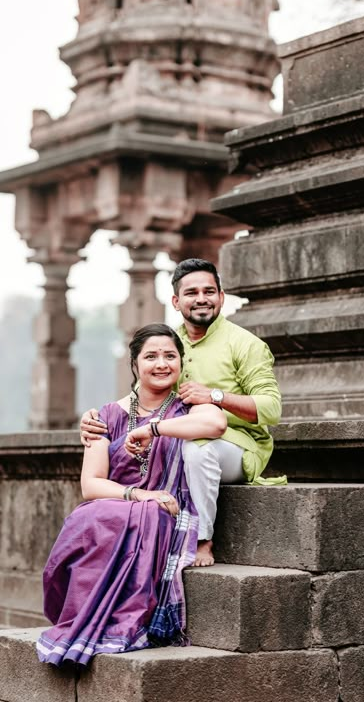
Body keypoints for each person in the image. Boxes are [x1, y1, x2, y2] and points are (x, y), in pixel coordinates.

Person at [37, 323, 226, 666]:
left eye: (170, 356)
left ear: (181, 363)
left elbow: (215, 425)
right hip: (125, 501)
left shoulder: (187, 407)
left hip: (168, 509)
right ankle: (85, 619)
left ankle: (121, 625)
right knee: (89, 515)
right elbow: (91, 484)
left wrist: (153, 429)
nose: (161, 364)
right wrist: (140, 495)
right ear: (135, 363)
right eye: (151, 356)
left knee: (147, 517)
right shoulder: (105, 416)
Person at [81, 258, 284, 568]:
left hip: (235, 446)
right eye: (191, 293)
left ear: (221, 296)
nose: (201, 299)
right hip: (175, 434)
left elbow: (271, 409)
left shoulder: (245, 344)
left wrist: (215, 396)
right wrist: (97, 420)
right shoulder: (170, 342)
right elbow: (144, 390)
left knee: (197, 449)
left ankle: (202, 539)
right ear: (176, 301)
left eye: (208, 291)